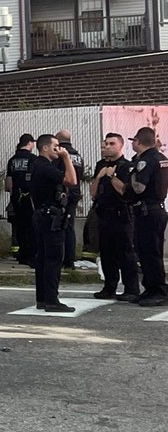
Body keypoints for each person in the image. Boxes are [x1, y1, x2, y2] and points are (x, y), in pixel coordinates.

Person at [119, 126, 168, 307]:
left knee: (149, 253)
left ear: (137, 141)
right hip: (156, 209)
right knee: (148, 251)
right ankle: (151, 288)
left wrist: (129, 181)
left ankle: (158, 290)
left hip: (147, 211)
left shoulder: (145, 160)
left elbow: (139, 187)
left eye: (134, 141)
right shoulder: (162, 158)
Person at [29, 133, 78, 312]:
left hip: (42, 215)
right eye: (56, 145)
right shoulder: (45, 167)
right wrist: (66, 158)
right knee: (53, 259)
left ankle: (42, 298)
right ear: (45, 148)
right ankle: (51, 300)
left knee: (43, 258)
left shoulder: (37, 165)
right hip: (50, 217)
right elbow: (72, 180)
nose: (59, 148)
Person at [89, 132, 140, 301]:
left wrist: (111, 176)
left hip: (122, 215)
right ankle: (109, 287)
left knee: (125, 253)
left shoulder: (127, 166)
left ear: (120, 146)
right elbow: (93, 194)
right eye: (106, 144)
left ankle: (131, 289)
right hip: (104, 214)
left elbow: (124, 191)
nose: (108, 147)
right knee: (106, 253)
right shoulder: (101, 165)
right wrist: (100, 176)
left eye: (112, 144)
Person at [5, 134, 37, 266]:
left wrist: (13, 195)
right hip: (30, 198)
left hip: (16, 197)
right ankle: (31, 255)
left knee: (20, 227)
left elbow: (8, 184)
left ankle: (22, 255)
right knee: (31, 227)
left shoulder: (12, 160)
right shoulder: (33, 159)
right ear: (30, 143)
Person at [55, 129, 85, 269]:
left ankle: (64, 259)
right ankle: (70, 259)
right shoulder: (78, 155)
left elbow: (58, 175)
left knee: (61, 226)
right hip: (75, 193)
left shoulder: (60, 154)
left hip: (64, 193)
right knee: (70, 226)